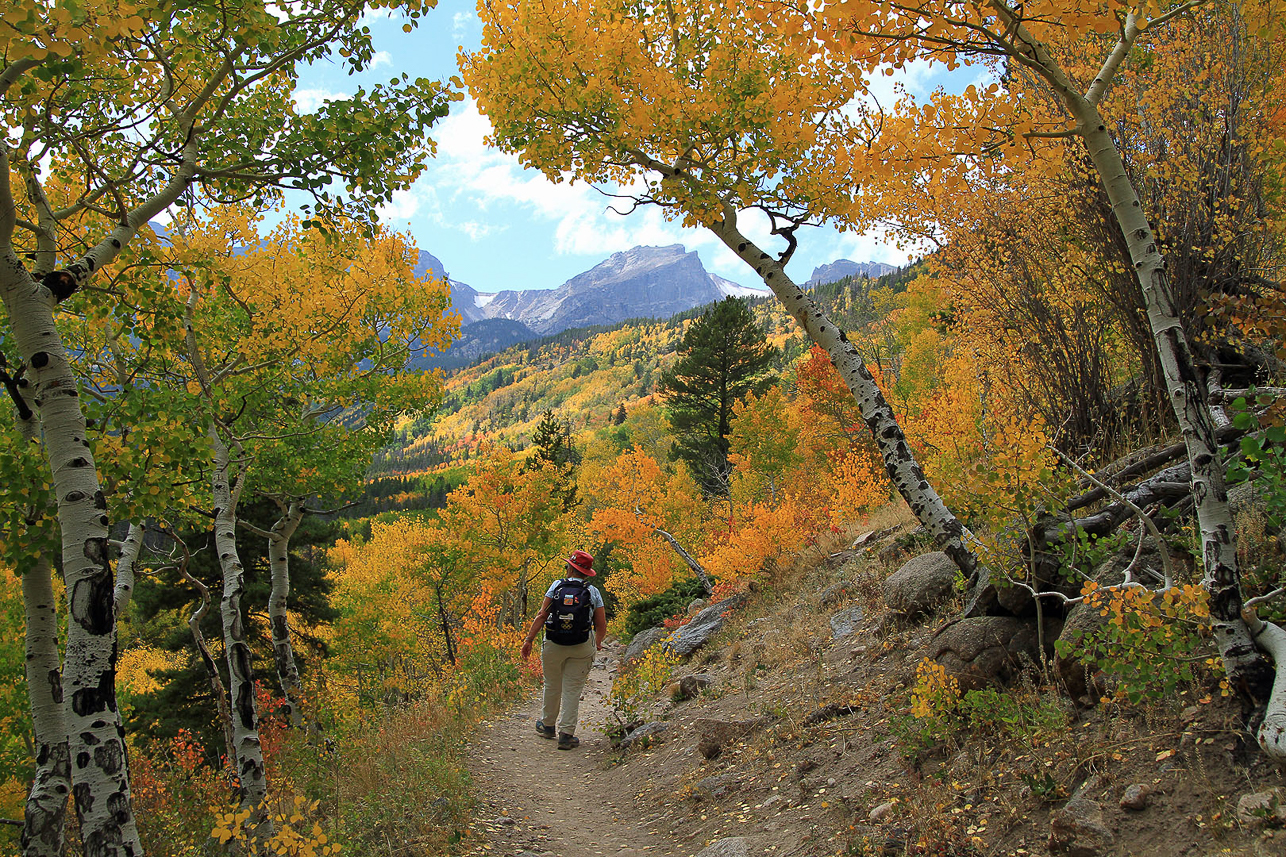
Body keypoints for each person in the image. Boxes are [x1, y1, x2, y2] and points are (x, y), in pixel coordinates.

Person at [520, 549, 607, 750]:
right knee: (572, 689)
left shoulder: (556, 586)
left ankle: (547, 725)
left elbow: (542, 615)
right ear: (587, 573)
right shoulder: (593, 592)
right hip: (582, 645)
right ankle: (566, 734)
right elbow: (600, 624)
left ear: (570, 568)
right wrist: (598, 642)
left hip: (553, 643)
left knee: (552, 684)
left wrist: (529, 640)